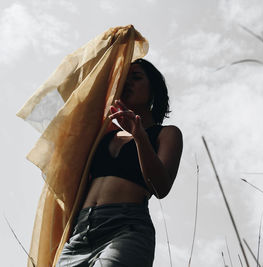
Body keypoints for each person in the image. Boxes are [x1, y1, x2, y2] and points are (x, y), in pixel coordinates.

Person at [55, 58, 183, 267]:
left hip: (126, 230)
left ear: (153, 89)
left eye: (136, 77)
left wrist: (140, 137)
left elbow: (160, 187)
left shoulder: (166, 134)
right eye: (124, 78)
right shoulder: (102, 135)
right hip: (80, 236)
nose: (127, 83)